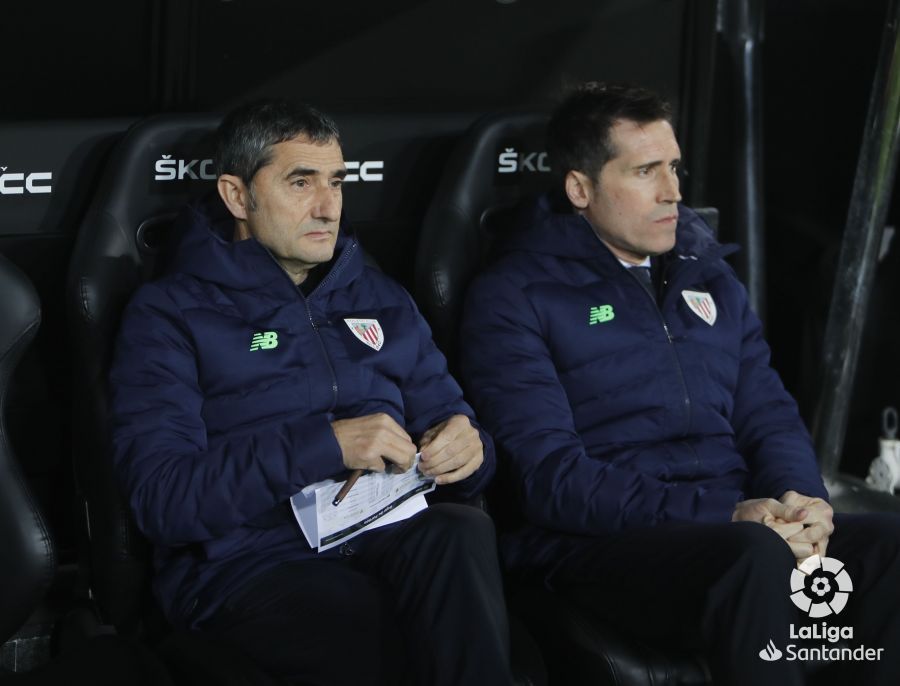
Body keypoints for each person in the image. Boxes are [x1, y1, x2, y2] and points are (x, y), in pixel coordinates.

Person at [460, 82, 900, 685]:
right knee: (754, 560)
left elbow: (767, 415)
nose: (674, 192)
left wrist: (804, 503)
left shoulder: (710, 277)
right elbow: (550, 479)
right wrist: (727, 515)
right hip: (603, 546)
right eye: (646, 171)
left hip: (741, 526)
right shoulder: (513, 296)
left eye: (674, 167)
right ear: (580, 188)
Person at [109, 99, 515, 686]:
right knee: (395, 641)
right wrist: (325, 447)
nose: (328, 207)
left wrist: (469, 451)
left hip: (386, 534)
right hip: (250, 563)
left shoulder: (379, 296)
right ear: (236, 195)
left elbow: (461, 435)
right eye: (301, 183)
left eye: (337, 183)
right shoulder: (170, 315)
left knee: (462, 530)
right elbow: (164, 500)